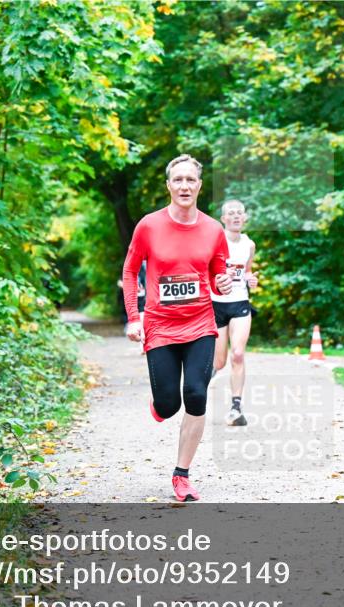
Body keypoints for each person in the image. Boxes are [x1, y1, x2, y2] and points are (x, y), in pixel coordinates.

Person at [122, 154, 232, 502]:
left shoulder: (214, 229)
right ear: (168, 185)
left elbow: (218, 273)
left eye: (191, 180)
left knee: (197, 394)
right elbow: (129, 272)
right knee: (169, 405)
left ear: (200, 185)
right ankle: (161, 404)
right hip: (160, 325)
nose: (185, 186)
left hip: (201, 322)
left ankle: (182, 474)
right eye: (178, 180)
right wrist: (133, 317)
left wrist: (224, 284)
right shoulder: (148, 226)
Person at [211, 200, 258, 426]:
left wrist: (251, 279)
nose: (236, 216)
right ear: (223, 219)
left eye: (240, 213)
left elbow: (247, 272)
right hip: (216, 303)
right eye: (231, 213)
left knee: (237, 354)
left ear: (245, 218)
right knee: (218, 363)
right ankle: (198, 386)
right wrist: (219, 276)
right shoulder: (214, 241)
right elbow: (204, 270)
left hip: (240, 302)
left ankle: (236, 408)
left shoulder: (249, 245)